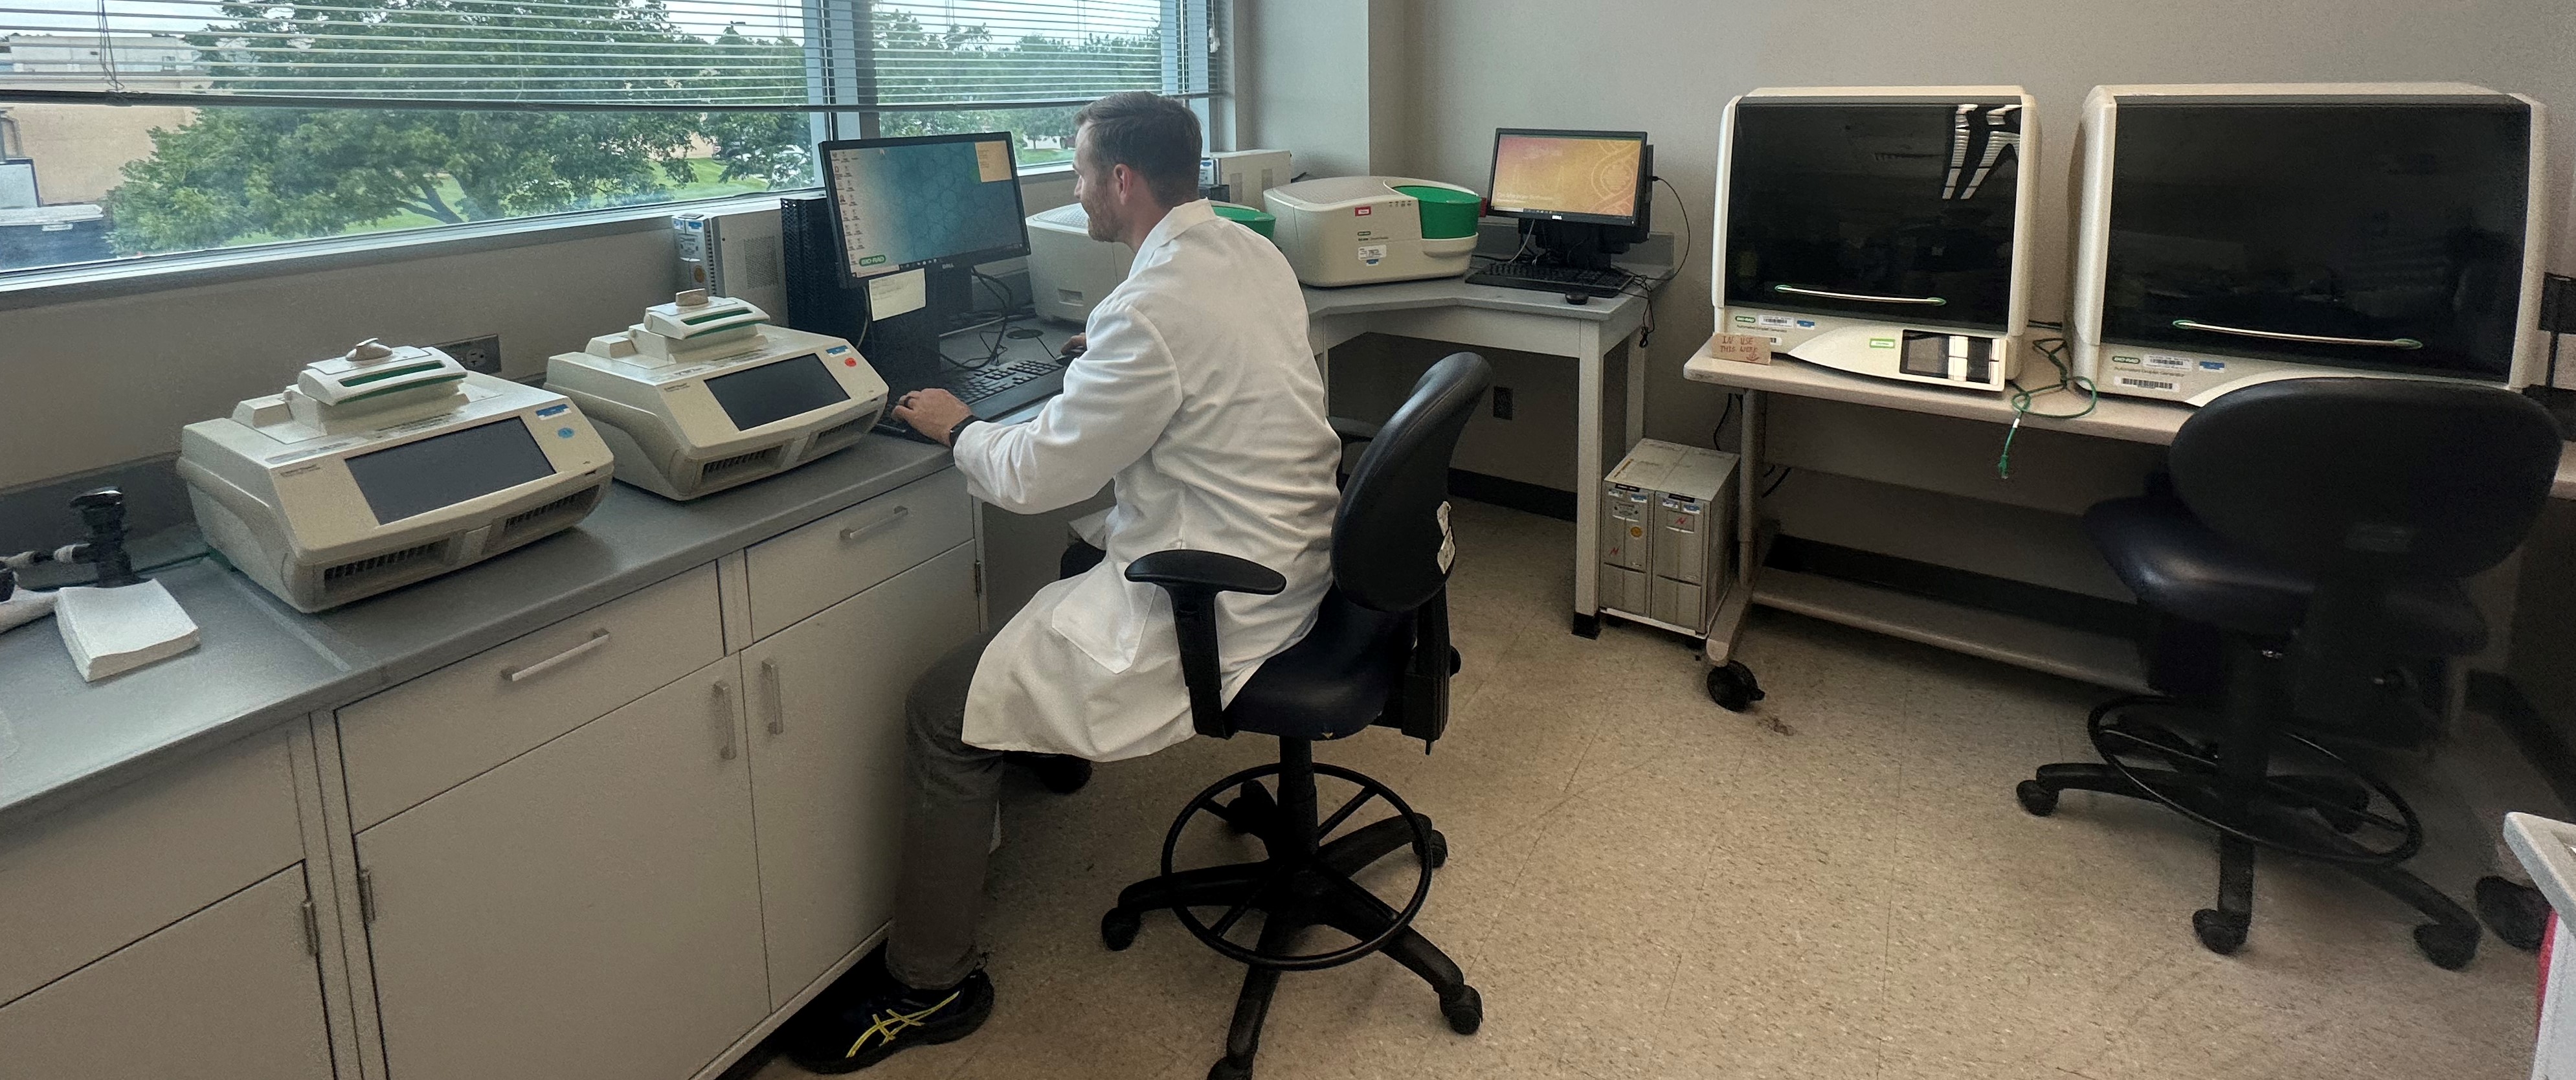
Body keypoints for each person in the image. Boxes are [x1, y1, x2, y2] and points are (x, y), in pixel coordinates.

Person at [786, 91, 1341, 1073]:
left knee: (937, 712)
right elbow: (1194, 368)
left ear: (1120, 181)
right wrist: (1104, 366)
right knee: (1079, 554)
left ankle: (929, 986)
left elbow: (1037, 477)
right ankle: (1050, 744)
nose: (1077, 191)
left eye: (1082, 173)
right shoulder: (1247, 252)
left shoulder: (1147, 308)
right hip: (1299, 554)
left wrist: (957, 425)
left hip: (1220, 590)